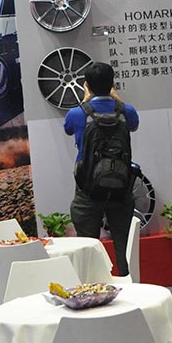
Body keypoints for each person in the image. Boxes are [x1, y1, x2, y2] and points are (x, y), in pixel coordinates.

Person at [63, 62, 138, 277]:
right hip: (121, 186)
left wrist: (85, 101)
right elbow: (134, 124)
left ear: (86, 85)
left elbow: (68, 129)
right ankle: (127, 284)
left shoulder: (77, 114)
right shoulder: (126, 111)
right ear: (112, 84)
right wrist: (117, 98)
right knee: (124, 244)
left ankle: (93, 286)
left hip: (87, 188)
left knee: (88, 246)